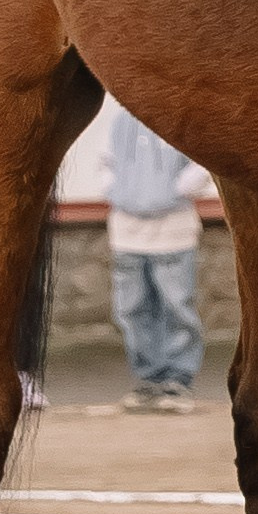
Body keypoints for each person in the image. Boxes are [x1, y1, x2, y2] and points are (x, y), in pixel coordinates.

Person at [101, 107, 215, 414]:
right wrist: (119, 192)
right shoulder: (120, 121)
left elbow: (203, 165)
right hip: (126, 231)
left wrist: (167, 192)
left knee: (176, 306)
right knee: (131, 309)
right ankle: (148, 379)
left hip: (173, 231)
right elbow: (107, 163)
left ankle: (178, 380)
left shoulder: (183, 119)